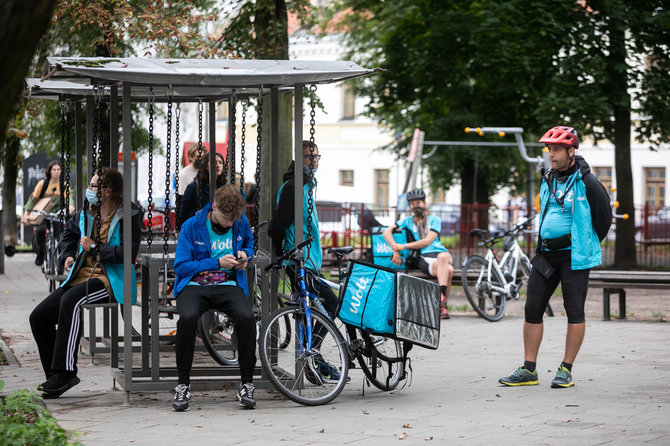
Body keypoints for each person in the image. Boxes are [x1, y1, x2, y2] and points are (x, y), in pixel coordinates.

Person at [499, 126, 611, 389]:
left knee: (574, 311)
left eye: (557, 149)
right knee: (532, 309)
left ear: (571, 152)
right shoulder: (548, 177)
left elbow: (603, 219)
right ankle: (529, 370)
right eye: (549, 149)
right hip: (546, 254)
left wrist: (584, 243)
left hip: (573, 257)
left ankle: (565, 369)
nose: (551, 154)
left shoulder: (588, 182)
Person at [29, 167, 141, 398]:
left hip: (110, 279)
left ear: (107, 191)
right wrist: (67, 256)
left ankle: (66, 371)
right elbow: (68, 236)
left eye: (92, 186)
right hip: (81, 275)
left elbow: (128, 253)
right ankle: (53, 374)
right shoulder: (87, 210)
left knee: (71, 300)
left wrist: (96, 248)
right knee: (38, 317)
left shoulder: (128, 214)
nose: (88, 190)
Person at [172, 184, 257, 411]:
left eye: (233, 219)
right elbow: (180, 266)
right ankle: (182, 384)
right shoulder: (192, 225)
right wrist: (216, 263)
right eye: (226, 218)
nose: (230, 223)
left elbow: (250, 243)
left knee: (247, 317)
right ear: (214, 206)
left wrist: (245, 255)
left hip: (228, 283)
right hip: (194, 284)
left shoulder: (240, 222)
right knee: (187, 318)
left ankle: (247, 383)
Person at [268, 141, 346, 384]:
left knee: (313, 310)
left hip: (308, 260)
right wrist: (282, 255)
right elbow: (277, 226)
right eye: (308, 157)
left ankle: (314, 357)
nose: (313, 161)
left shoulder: (306, 185)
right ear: (298, 159)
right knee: (331, 305)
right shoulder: (294, 186)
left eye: (316, 156)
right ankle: (314, 356)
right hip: (298, 260)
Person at [382, 189, 454, 319]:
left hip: (439, 253)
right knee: (448, 270)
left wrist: (403, 246)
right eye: (413, 203)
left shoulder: (434, 219)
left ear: (425, 203)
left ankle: (441, 299)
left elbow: (427, 241)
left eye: (419, 202)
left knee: (443, 256)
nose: (416, 206)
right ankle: (443, 306)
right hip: (425, 257)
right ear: (409, 206)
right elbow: (386, 232)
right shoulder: (407, 221)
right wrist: (395, 250)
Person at [22, 160, 70, 266]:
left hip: (57, 215)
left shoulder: (64, 185)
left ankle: (60, 262)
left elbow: (69, 199)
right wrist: (26, 213)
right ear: (50, 171)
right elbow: (33, 200)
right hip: (43, 214)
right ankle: (41, 252)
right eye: (54, 170)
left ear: (61, 171)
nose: (56, 172)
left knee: (61, 237)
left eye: (58, 169)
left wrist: (70, 206)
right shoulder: (42, 184)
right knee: (40, 230)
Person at [180, 152, 225, 223]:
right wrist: (204, 214)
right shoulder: (194, 187)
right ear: (205, 165)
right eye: (214, 162)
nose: (218, 165)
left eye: (220, 162)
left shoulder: (225, 188)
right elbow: (184, 214)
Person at [176, 144, 208, 227]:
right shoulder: (183, 174)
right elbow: (181, 198)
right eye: (197, 156)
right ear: (190, 157)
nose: (200, 159)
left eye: (203, 157)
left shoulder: (206, 173)